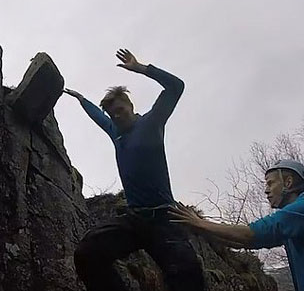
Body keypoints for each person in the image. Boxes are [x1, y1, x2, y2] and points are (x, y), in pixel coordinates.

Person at [65, 49, 204, 291]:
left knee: (189, 277)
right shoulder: (114, 130)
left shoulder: (151, 122)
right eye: (113, 114)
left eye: (121, 110)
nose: (117, 116)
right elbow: (99, 116)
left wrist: (141, 68)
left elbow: (176, 87)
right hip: (134, 218)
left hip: (164, 219)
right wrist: (81, 100)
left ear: (131, 105)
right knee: (87, 253)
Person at [170, 159, 304, 291]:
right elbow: (243, 242)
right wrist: (201, 230)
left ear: (288, 182)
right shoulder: (293, 223)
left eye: (270, 183)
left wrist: (199, 222)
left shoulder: (299, 209)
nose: (266, 191)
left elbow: (249, 234)